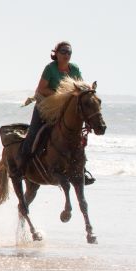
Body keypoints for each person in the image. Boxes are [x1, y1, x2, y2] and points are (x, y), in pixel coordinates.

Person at [18, 41, 84, 174]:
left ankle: (80, 170)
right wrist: (61, 95)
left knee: (78, 136)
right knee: (33, 133)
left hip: (65, 108)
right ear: (56, 54)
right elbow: (41, 89)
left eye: (69, 52)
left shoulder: (75, 69)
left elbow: (80, 88)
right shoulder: (50, 68)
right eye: (63, 52)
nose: (66, 55)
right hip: (47, 106)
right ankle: (22, 164)